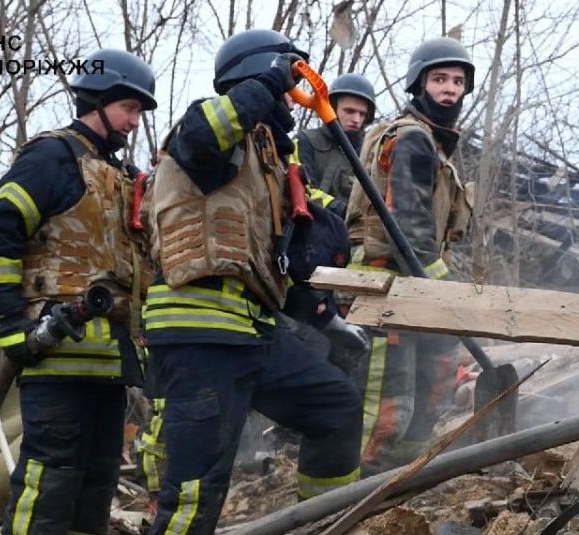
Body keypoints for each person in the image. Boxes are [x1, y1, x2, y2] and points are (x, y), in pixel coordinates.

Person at [142, 29, 363, 535]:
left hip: (252, 331)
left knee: (335, 409)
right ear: (261, 75)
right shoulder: (208, 130)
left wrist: (326, 317)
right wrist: (270, 80)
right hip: (201, 331)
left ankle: (322, 527)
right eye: (288, 85)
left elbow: (272, 265)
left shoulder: (270, 163)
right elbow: (202, 136)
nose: (292, 99)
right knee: (196, 490)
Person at [0, 48, 157, 535]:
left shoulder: (121, 177)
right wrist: (11, 321)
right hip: (56, 351)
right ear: (95, 100)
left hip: (110, 360)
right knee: (50, 476)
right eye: (129, 108)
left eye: (138, 111)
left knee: (96, 482)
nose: (134, 122)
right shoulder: (51, 158)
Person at [344, 37, 475, 475]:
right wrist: (447, 292)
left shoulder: (429, 143)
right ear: (419, 84)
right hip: (387, 285)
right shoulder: (412, 140)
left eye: (458, 81)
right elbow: (410, 225)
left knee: (434, 381)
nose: (450, 89)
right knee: (389, 403)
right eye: (439, 79)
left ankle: (400, 481)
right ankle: (354, 491)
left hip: (413, 283)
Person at [294, 73, 377, 205]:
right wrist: (341, 211)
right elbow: (302, 191)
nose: (356, 119)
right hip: (313, 217)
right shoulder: (305, 141)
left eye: (362, 114)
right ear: (332, 108)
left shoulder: (371, 151)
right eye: (349, 111)